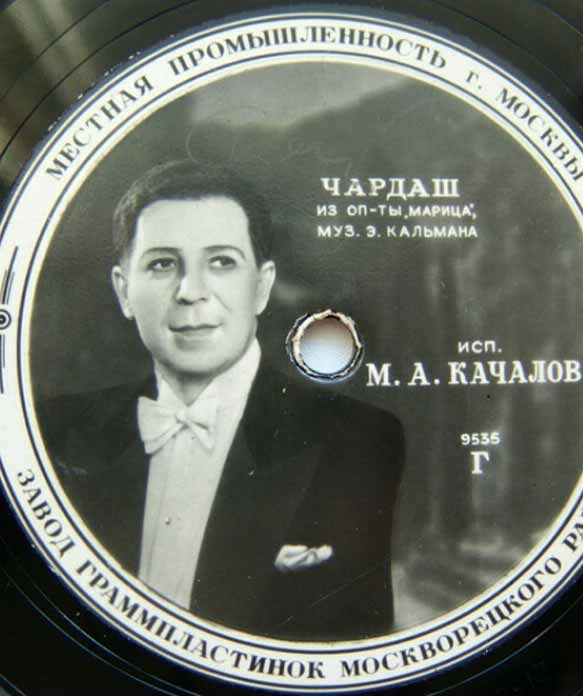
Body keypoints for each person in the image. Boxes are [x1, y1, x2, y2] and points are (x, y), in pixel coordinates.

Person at [38, 161, 404, 641]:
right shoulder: (50, 430)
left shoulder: (357, 439)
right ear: (124, 291)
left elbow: (351, 646)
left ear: (262, 286)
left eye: (222, 262)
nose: (191, 293)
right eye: (162, 264)